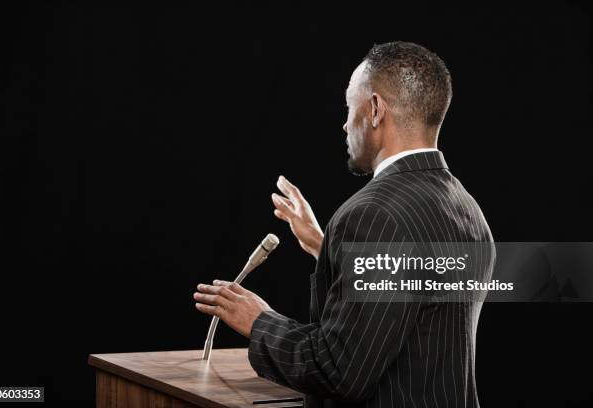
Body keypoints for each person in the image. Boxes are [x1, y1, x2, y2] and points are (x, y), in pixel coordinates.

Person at [194, 41, 494, 408]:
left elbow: (339, 370)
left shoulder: (374, 214)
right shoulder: (467, 209)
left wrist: (259, 322)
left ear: (374, 109)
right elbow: (417, 297)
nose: (344, 122)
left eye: (348, 107)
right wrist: (327, 246)